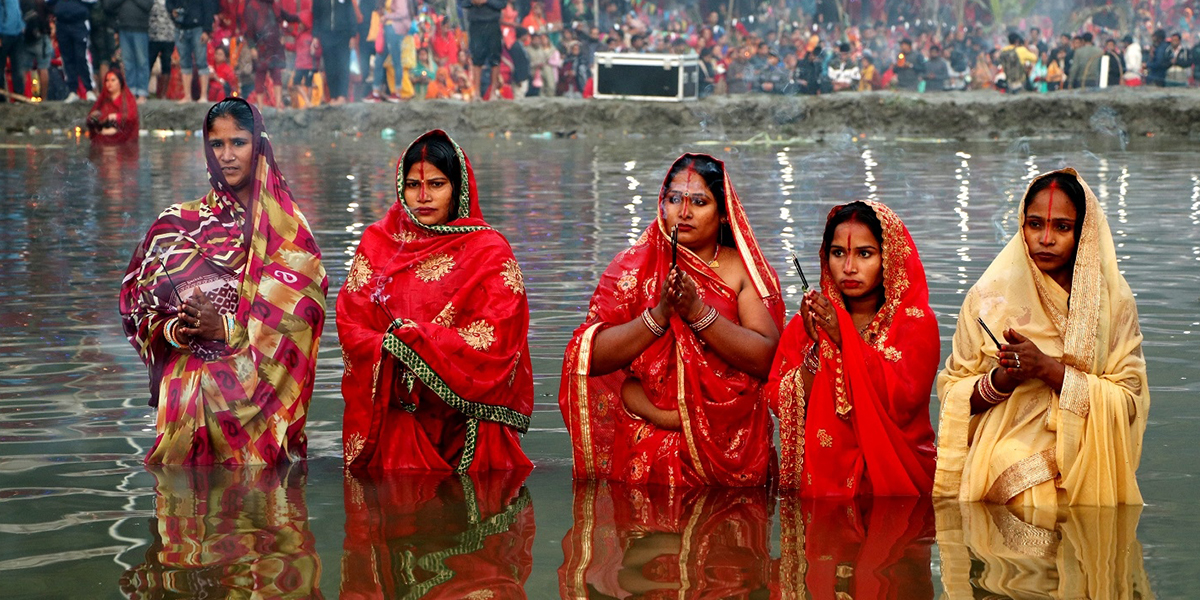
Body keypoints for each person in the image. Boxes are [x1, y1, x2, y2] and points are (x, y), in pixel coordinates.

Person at [119, 98, 328, 464]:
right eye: (217, 144)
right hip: (187, 399)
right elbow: (139, 309)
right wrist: (178, 329)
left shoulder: (287, 230)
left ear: (259, 145)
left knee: (261, 512)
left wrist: (225, 327)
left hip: (261, 406)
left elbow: (302, 319)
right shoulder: (176, 225)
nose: (227, 156)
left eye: (239, 143)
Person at [559, 154, 784, 488]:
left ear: (724, 214)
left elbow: (767, 359)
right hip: (648, 444)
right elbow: (586, 358)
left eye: (700, 201)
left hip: (731, 446)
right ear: (661, 204)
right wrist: (659, 316)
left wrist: (698, 313)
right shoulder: (633, 268)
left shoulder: (741, 271)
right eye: (674, 199)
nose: (684, 212)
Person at [934, 169, 1150, 506]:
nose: (1045, 238)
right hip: (1002, 453)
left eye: (1061, 227)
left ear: (1083, 233)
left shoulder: (1114, 304)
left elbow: (1130, 401)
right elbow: (953, 398)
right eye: (1035, 224)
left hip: (1091, 455)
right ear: (1022, 226)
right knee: (1009, 463)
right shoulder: (988, 300)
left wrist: (1048, 369)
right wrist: (1003, 378)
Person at [339, 130, 533, 472]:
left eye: (437, 184)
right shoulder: (377, 243)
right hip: (398, 414)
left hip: (467, 423)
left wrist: (418, 339)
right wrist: (392, 345)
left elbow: (500, 336)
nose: (423, 196)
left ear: (457, 189)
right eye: (413, 185)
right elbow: (351, 323)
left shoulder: (489, 251)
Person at [766, 201, 938, 496]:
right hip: (825, 485)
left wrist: (843, 339)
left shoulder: (914, 322)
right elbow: (778, 401)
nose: (848, 268)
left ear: (890, 257)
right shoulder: (807, 323)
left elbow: (902, 402)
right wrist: (821, 349)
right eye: (838, 253)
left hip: (897, 484)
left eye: (864, 254)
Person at [167, 0, 216, 102]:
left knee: (201, 61)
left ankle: (203, 96)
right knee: (184, 62)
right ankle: (187, 96)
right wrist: (172, 10)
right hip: (180, 28)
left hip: (198, 27)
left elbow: (209, 9)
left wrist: (206, 30)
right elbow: (169, 3)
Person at [104, 0, 152, 102]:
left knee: (142, 61)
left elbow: (148, 5)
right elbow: (108, 5)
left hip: (140, 28)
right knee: (128, 62)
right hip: (123, 27)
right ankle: (131, 93)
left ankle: (142, 93)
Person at [459, 0, 503, 101]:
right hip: (476, 24)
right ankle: (477, 93)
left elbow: (502, 3)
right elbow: (464, 3)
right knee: (477, 58)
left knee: (495, 58)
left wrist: (486, 1)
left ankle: (494, 92)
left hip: (493, 23)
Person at [87, 69, 139, 143]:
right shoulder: (103, 99)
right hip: (103, 137)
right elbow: (91, 119)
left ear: (120, 82)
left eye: (113, 80)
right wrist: (96, 117)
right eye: (107, 80)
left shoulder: (128, 99)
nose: (109, 83)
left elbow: (132, 117)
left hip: (124, 140)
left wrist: (116, 117)